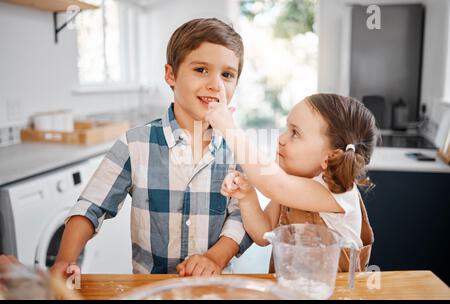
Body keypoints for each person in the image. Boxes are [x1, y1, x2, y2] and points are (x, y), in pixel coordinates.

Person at [51, 18, 252, 277]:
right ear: (171, 74)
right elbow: (91, 206)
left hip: (215, 290)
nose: (216, 84)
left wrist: (215, 257)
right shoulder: (135, 143)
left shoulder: (237, 145)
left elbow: (241, 217)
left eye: (227, 74)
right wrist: (64, 259)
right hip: (150, 289)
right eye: (201, 69)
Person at [206, 92, 377, 271]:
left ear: (330, 156)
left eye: (295, 133)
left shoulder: (338, 192)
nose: (281, 139)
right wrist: (247, 196)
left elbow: (275, 185)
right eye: (286, 129)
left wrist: (229, 128)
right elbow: (263, 234)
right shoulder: (291, 185)